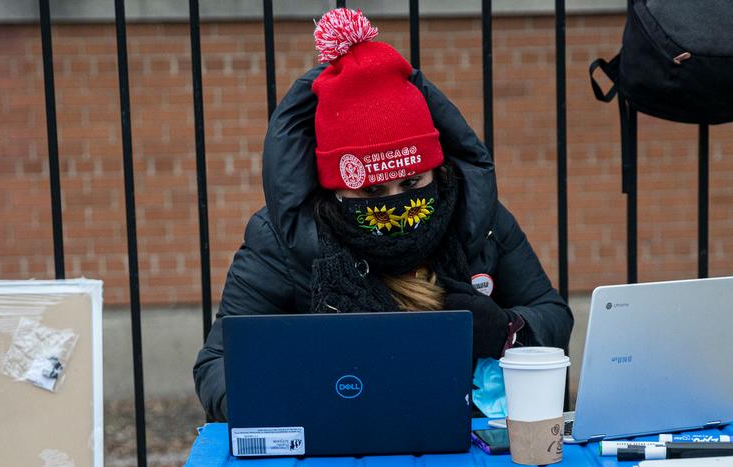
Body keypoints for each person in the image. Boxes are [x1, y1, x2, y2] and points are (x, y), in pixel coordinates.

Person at [194, 8, 571, 422]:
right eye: (371, 191)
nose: (395, 205)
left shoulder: (478, 219)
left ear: (437, 168)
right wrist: (294, 403)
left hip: (466, 437)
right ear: (334, 188)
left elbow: (552, 313)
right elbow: (219, 362)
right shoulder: (282, 240)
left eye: (412, 184)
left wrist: (507, 331)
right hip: (338, 443)